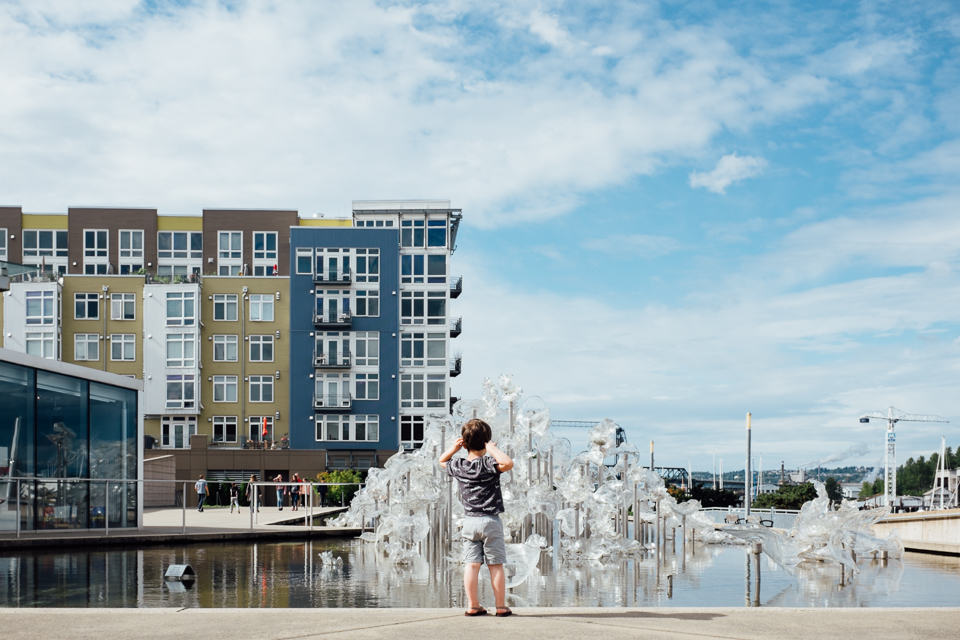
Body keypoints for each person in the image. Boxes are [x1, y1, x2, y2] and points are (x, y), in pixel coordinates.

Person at [439, 419, 514, 617]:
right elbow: (507, 463)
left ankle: (473, 605)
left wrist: (454, 449)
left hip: (470, 522)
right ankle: (500, 606)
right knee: (495, 564)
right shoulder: (489, 463)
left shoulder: (459, 465)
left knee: (471, 565)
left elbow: (441, 461)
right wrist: (492, 449)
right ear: (487, 441)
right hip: (490, 521)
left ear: (464, 443)